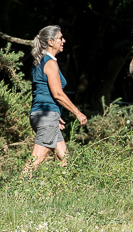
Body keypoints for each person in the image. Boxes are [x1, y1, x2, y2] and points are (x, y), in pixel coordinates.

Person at [24, 25, 88, 174]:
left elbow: (43, 92)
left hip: (42, 114)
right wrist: (77, 113)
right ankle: (15, 192)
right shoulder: (50, 62)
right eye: (60, 38)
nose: (64, 41)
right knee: (37, 159)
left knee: (63, 158)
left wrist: (55, 115)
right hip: (46, 116)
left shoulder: (40, 61)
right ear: (51, 42)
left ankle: (61, 192)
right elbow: (58, 93)